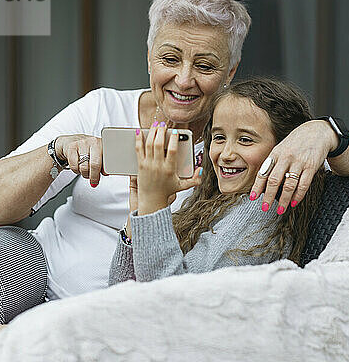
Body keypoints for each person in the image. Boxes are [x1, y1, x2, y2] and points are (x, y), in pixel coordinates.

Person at [0, 0, 349, 362]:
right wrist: (58, 151)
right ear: (149, 55)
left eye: (205, 65)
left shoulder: (243, 145)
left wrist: (327, 132)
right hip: (43, 270)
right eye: (170, 59)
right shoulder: (103, 107)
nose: (183, 79)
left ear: (231, 71)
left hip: (131, 306)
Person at [109, 78, 326, 286]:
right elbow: (122, 293)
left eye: (245, 139)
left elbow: (170, 303)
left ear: (285, 149)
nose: (226, 154)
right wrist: (138, 214)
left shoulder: (260, 209)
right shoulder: (221, 202)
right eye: (219, 137)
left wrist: (153, 203)